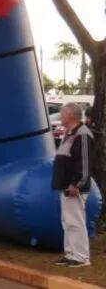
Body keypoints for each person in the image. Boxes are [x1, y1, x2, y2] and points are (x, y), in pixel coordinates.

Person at [52, 103, 93, 268]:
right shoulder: (69, 134)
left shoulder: (82, 135)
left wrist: (76, 184)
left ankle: (81, 257)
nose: (61, 117)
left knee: (75, 221)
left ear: (70, 115)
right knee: (68, 221)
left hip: (74, 188)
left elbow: (84, 163)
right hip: (65, 187)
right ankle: (70, 253)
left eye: (62, 114)